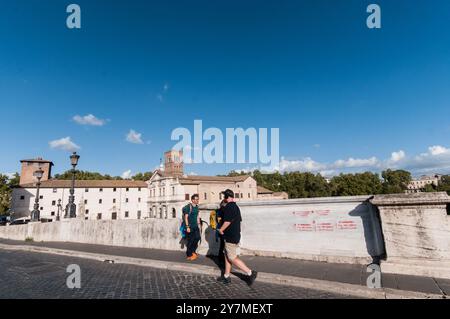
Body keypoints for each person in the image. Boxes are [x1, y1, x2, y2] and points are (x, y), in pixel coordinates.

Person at [217, 189, 257, 285]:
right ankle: (226, 276)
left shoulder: (229, 207)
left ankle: (250, 273)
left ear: (226, 197)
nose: (224, 198)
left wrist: (221, 230)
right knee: (227, 255)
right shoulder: (235, 207)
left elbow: (227, 221)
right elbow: (238, 221)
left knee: (232, 257)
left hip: (230, 236)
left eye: (224, 197)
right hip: (234, 235)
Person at [183, 194, 201, 261]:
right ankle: (189, 254)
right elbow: (186, 217)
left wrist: (199, 224)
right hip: (190, 226)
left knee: (197, 238)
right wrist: (187, 227)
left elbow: (197, 216)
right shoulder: (188, 207)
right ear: (192, 200)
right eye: (196, 199)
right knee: (190, 240)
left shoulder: (197, 207)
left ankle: (193, 251)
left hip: (196, 226)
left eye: (198, 199)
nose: (197, 200)